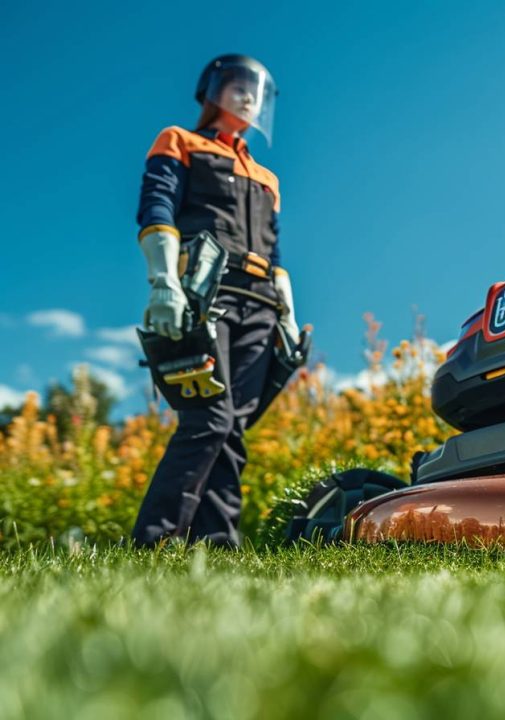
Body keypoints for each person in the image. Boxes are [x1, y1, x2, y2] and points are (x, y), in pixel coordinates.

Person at [131, 54, 301, 547]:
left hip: (261, 303)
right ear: (212, 91)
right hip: (207, 295)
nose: (249, 97)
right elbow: (156, 207)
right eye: (237, 85)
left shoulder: (267, 177)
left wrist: (287, 316)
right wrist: (164, 281)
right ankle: (156, 541)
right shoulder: (179, 142)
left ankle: (218, 546)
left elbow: (275, 247)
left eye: (256, 90)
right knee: (209, 417)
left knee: (233, 429)